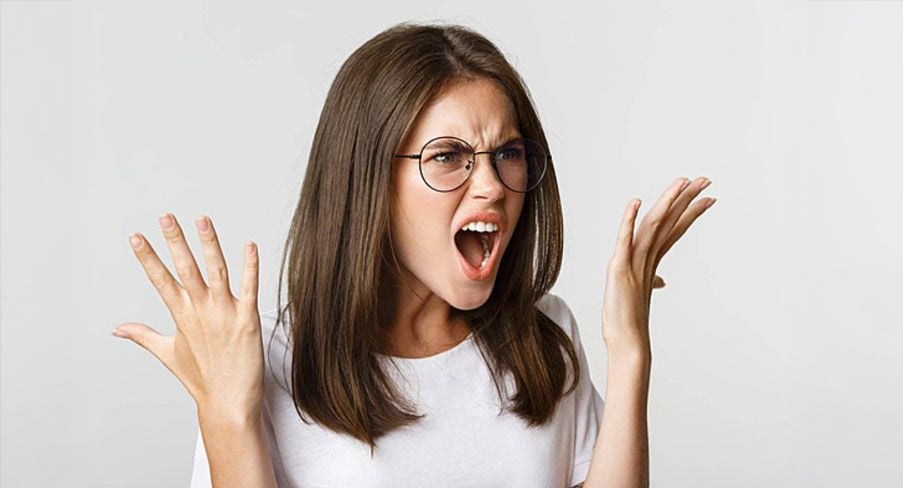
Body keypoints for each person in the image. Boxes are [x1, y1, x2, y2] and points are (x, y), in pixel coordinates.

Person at [113, 21, 716, 488]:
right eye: (449, 156)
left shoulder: (543, 338)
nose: (493, 185)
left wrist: (630, 348)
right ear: (368, 181)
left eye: (507, 153)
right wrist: (226, 415)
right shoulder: (269, 362)